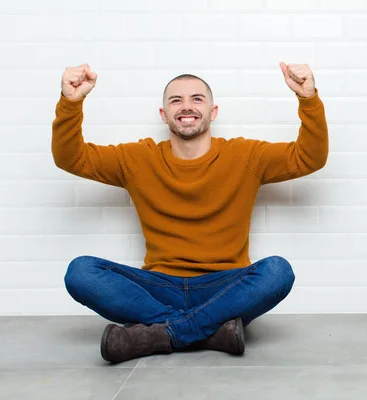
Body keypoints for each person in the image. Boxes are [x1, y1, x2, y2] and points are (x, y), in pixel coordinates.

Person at [51, 62, 328, 363]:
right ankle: (206, 330)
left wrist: (308, 99)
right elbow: (72, 158)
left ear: (213, 112)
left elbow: (308, 157)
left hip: (224, 287)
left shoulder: (246, 156)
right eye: (176, 100)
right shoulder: (136, 159)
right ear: (163, 114)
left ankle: (164, 332)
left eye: (197, 99)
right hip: (159, 287)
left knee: (278, 270)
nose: (187, 107)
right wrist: (71, 103)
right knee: (81, 272)